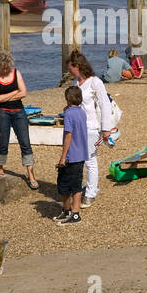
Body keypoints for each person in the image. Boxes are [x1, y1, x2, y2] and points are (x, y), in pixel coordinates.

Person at [66, 52, 114, 207]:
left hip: (91, 127)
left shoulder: (95, 82)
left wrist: (106, 129)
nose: (69, 71)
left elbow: (105, 104)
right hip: (76, 128)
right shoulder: (75, 83)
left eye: (70, 68)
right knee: (77, 160)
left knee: (90, 160)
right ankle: (81, 189)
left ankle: (91, 193)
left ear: (77, 66)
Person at [0, 50, 38, 190]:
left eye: (6, 67)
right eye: (2, 68)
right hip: (2, 113)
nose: (4, 70)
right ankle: (0, 167)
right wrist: (14, 92)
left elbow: (24, 93)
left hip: (19, 112)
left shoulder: (16, 73)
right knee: (3, 143)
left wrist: (8, 96)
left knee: (25, 142)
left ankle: (31, 174)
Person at [55, 85, 88, 225]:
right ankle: (69, 210)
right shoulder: (82, 112)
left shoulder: (69, 114)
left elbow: (68, 135)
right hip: (81, 154)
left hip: (71, 155)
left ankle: (74, 213)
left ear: (67, 99)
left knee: (66, 184)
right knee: (75, 183)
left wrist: (63, 156)